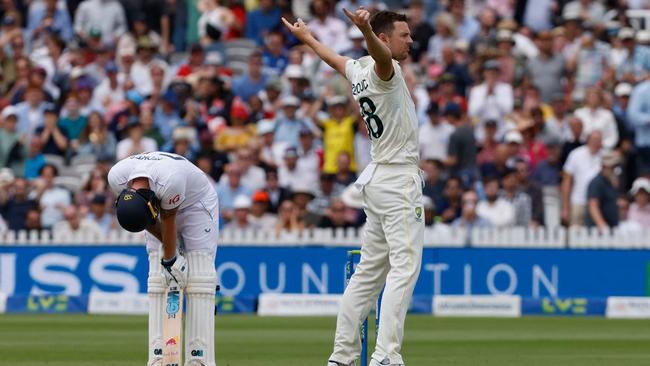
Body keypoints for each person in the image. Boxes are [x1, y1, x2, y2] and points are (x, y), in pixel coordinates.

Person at [284, 8, 424, 366]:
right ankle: (386, 355)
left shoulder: (358, 71)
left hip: (377, 179)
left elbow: (332, 59)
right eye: (404, 35)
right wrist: (365, 30)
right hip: (396, 179)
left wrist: (308, 38)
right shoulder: (383, 69)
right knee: (404, 268)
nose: (410, 40)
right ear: (385, 38)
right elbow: (379, 55)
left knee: (367, 276)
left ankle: (342, 355)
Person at [108, 151, 219, 366]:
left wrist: (172, 260)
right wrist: (170, 259)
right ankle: (158, 357)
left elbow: (168, 217)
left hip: (197, 204)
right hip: (158, 205)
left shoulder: (170, 181)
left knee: (199, 274)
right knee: (158, 272)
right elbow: (148, 221)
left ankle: (200, 359)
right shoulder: (116, 177)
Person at [586, 151, 621, 230]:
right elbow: (593, 205)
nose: (614, 170)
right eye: (612, 167)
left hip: (611, 228)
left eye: (615, 167)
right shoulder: (596, 182)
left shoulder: (610, 182)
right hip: (599, 231)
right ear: (604, 167)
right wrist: (601, 224)